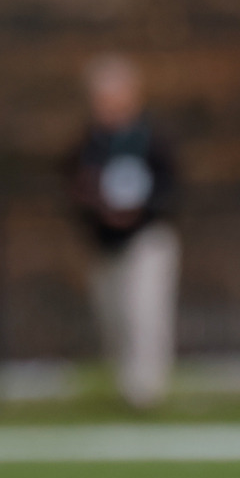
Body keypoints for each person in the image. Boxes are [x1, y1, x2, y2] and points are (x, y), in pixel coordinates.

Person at [65, 54, 179, 410]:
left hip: (147, 238)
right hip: (104, 242)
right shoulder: (87, 143)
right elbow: (73, 187)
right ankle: (125, 388)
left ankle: (145, 393)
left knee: (145, 312)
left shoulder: (152, 138)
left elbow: (170, 188)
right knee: (114, 317)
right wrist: (97, 209)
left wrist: (138, 213)